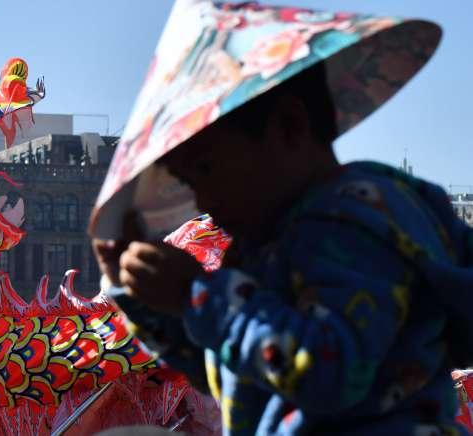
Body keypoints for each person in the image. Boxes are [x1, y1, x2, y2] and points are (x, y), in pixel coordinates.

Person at [90, 1, 468, 435]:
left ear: (289, 127)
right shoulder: (266, 245)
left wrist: (196, 295)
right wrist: (140, 296)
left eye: (207, 169)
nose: (203, 199)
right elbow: (231, 370)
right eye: (189, 183)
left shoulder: (349, 224)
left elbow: (325, 373)